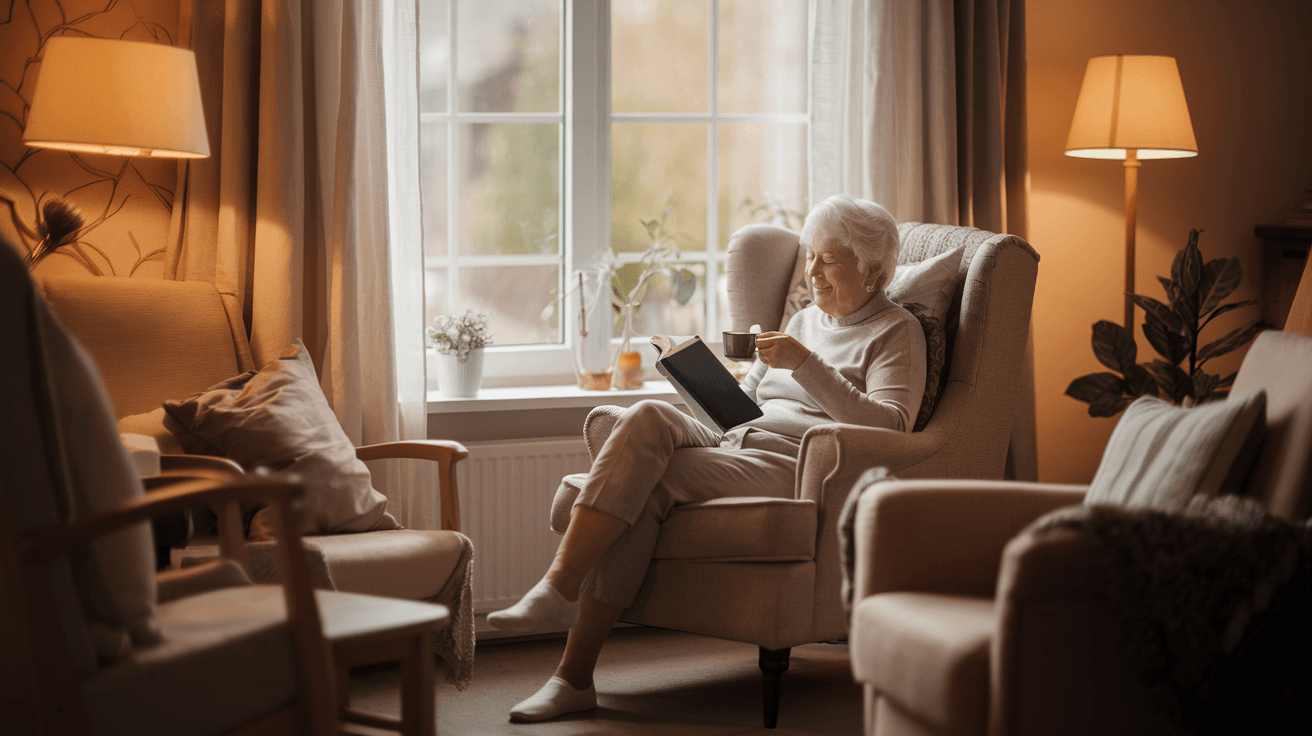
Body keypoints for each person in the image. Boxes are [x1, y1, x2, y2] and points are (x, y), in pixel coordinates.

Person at [487, 194, 928, 722]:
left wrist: (805, 364)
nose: (811, 272)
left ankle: (571, 669)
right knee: (648, 413)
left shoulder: (896, 331)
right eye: (811, 256)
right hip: (740, 440)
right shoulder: (806, 320)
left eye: (829, 260)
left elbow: (891, 426)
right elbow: (745, 410)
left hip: (795, 466)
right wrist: (703, 383)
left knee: (646, 484)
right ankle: (559, 593)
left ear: (874, 271)